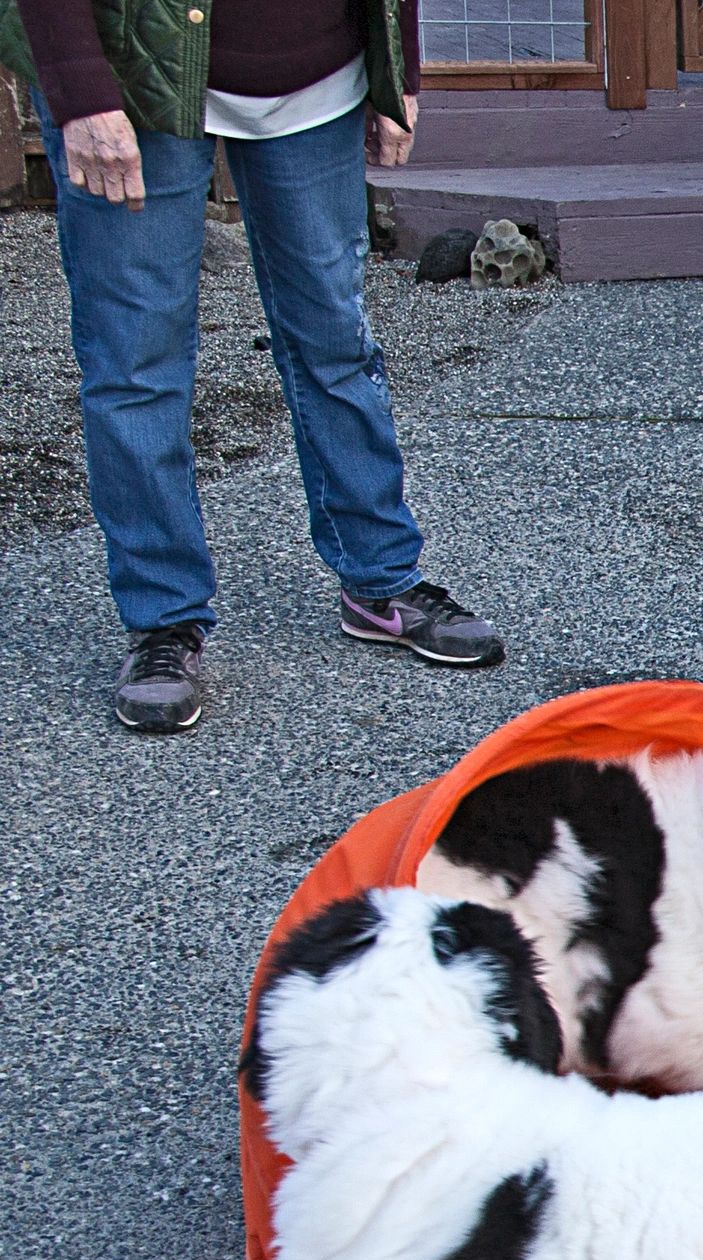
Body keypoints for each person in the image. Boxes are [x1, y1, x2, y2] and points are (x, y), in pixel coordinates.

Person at [0, 0, 506, 733]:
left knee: (336, 341)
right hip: (138, 75)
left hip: (318, 77)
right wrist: (79, 89)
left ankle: (380, 582)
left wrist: (398, 71)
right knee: (136, 364)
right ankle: (163, 621)